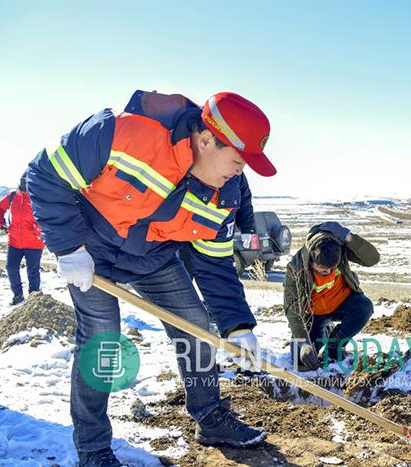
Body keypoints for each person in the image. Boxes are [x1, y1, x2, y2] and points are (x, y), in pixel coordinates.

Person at [27, 89, 276, 466]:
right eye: (238, 160)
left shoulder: (227, 193)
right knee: (102, 339)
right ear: (206, 139)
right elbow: (45, 175)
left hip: (153, 257)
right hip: (89, 249)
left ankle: (209, 417)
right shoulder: (121, 132)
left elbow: (214, 263)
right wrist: (68, 248)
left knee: (195, 325)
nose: (239, 171)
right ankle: (93, 448)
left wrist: (237, 325)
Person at [283, 222, 379, 371]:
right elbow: (293, 309)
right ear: (311, 259)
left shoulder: (340, 249)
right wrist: (304, 344)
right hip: (314, 315)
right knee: (302, 363)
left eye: (331, 268)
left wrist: (348, 236)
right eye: (321, 269)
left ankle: (334, 345)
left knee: (364, 307)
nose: (327, 272)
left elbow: (373, 258)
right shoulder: (296, 268)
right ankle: (324, 330)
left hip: (342, 304)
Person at [0, 171, 45, 305]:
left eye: (26, 182)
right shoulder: (12, 196)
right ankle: (18, 295)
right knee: (11, 267)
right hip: (14, 242)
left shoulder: (37, 197)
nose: (23, 184)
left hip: (34, 243)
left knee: (33, 271)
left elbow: (46, 216)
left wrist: (38, 228)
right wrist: (1, 224)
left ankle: (34, 298)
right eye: (22, 181)